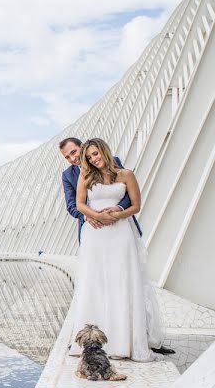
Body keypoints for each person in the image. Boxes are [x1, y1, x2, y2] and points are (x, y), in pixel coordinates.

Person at [67, 138, 169, 360]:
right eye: (89, 157)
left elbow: (135, 205)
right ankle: (91, 340)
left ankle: (123, 342)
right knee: (96, 283)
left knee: (122, 281)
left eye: (96, 154)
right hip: (95, 235)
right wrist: (96, 216)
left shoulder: (126, 174)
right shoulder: (84, 176)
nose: (94, 159)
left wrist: (117, 215)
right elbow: (79, 204)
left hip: (121, 234)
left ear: (104, 151)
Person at [59, 137, 140, 243]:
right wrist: (88, 217)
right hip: (93, 225)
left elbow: (127, 190)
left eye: (73, 152)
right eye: (67, 157)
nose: (73, 159)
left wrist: (119, 209)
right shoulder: (68, 175)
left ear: (82, 146)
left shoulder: (113, 161)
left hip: (120, 222)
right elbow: (71, 205)